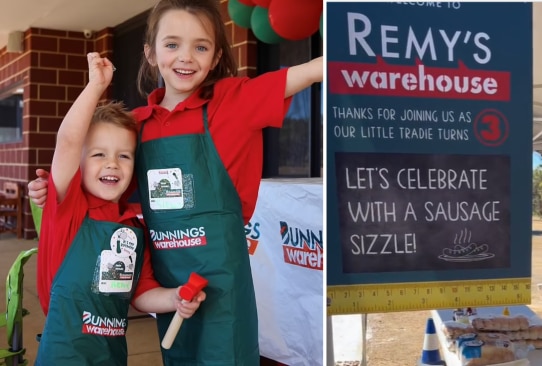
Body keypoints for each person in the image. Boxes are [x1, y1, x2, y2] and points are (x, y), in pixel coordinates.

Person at [28, 0, 323, 365]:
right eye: (172, 44)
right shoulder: (132, 127)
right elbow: (84, 165)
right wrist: (50, 190)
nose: (186, 57)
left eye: (200, 46)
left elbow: (310, 71)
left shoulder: (234, 101)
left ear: (216, 57)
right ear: (150, 53)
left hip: (222, 285)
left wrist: (357, 50)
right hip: (163, 277)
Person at [35, 52, 206, 366]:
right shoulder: (68, 208)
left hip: (112, 357)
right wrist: (95, 87)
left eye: (124, 156)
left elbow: (141, 294)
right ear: (80, 164)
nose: (112, 163)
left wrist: (175, 298)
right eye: (99, 154)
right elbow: (69, 141)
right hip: (63, 356)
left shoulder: (134, 228)